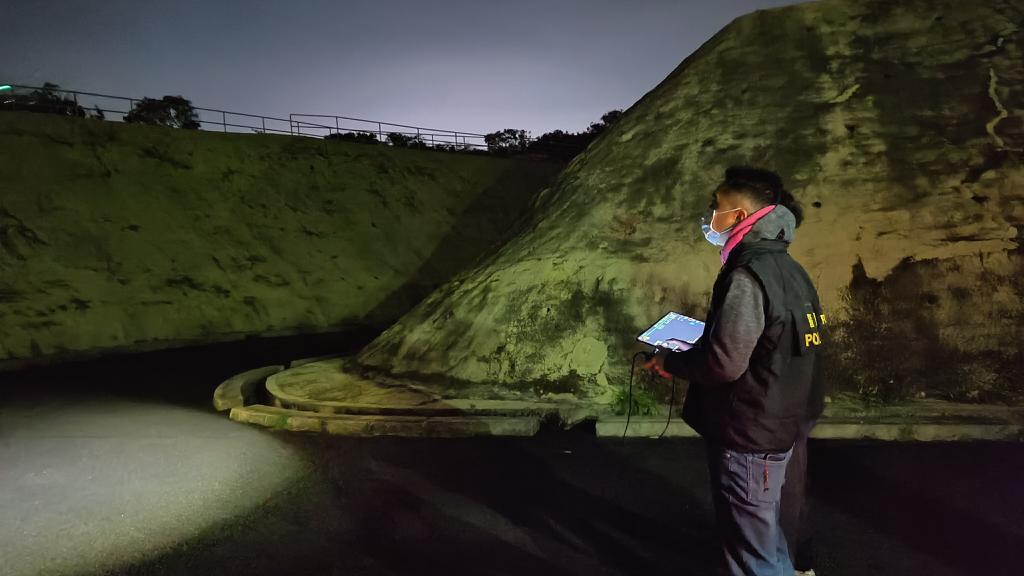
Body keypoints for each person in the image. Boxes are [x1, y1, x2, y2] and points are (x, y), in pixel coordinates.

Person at [645, 166, 826, 576]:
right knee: (769, 537)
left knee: (753, 555)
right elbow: (780, 346)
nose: (710, 214)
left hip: (750, 433)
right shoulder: (791, 271)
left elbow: (725, 362)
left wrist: (672, 360)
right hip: (783, 424)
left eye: (717, 206)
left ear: (741, 217)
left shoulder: (746, 275)